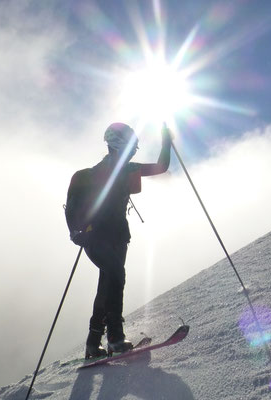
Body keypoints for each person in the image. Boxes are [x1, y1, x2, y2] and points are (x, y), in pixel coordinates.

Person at [65, 122, 171, 358]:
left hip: (108, 238)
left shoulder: (94, 175)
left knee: (107, 283)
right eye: (131, 146)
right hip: (102, 237)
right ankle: (114, 337)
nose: (133, 150)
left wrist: (76, 233)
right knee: (115, 275)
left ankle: (93, 342)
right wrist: (166, 142)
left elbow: (161, 167)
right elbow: (162, 166)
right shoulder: (103, 173)